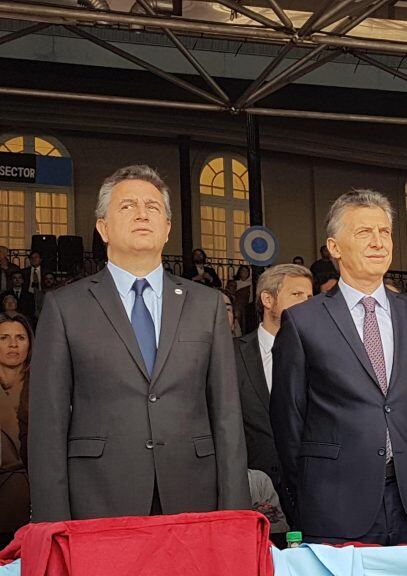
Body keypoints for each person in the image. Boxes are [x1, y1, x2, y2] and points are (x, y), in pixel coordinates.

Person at [29, 164, 250, 522]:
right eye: (127, 205)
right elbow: (47, 425)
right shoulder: (65, 306)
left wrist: (235, 515)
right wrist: (51, 524)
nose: (142, 213)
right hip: (97, 498)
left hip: (193, 496)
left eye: (152, 206)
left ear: (167, 229)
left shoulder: (205, 303)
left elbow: (227, 416)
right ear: (103, 227)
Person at [271, 190, 407, 545]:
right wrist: (304, 496)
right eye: (364, 233)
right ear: (334, 247)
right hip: (334, 500)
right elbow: (289, 420)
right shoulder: (304, 321)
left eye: (384, 232)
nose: (378, 242)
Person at [235, 264, 312, 522]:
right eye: (297, 295)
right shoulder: (232, 354)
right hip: (251, 492)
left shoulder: (323, 355)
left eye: (310, 298)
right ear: (267, 299)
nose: (307, 304)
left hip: (310, 488)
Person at [0, 313, 33, 548]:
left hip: (30, 490)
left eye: (20, 337)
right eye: (4, 337)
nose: (13, 344)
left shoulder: (45, 383)